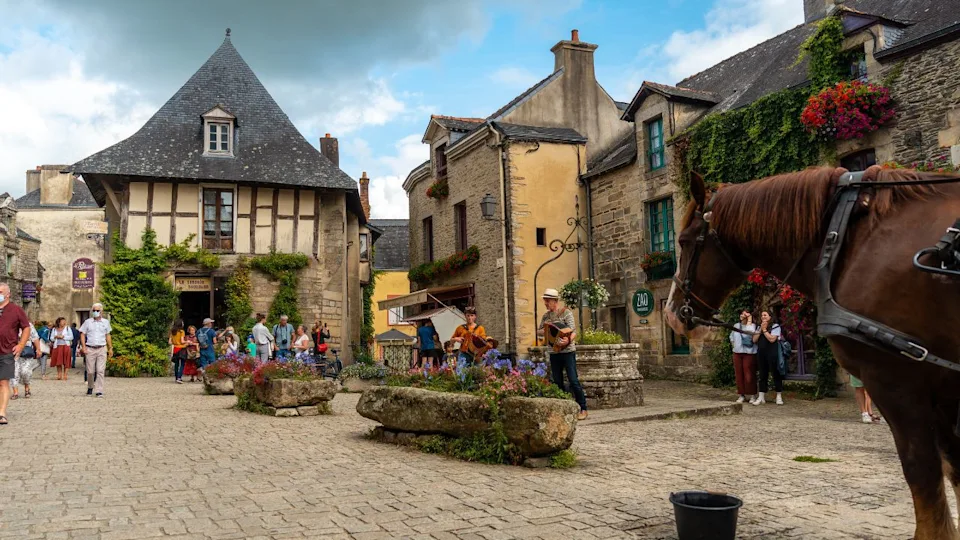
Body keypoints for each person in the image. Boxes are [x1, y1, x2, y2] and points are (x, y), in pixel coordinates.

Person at [538, 288, 588, 420]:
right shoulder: (546, 317)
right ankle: (564, 408)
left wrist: (568, 339)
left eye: (548, 301)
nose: (546, 303)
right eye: (545, 301)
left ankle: (583, 408)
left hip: (568, 351)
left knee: (573, 380)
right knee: (557, 381)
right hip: (553, 351)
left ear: (555, 301)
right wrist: (546, 328)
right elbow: (539, 332)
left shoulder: (566, 313)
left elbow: (573, 331)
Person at [0, 283, 33, 424]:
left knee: (3, 383)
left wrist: (21, 344)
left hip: (6, 351)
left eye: (0, 291)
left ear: (8, 294)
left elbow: (26, 328)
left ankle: (2, 412)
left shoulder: (16, 310)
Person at [79, 303, 112, 398]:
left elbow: (108, 335)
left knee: (100, 370)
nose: (95, 312)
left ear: (101, 312)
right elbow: (82, 334)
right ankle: (90, 386)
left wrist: (110, 348)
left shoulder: (105, 322)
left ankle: (99, 390)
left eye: (97, 310)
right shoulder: (87, 322)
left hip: (101, 348)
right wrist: (83, 346)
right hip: (90, 348)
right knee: (90, 371)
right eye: (93, 310)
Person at [752, 309, 784, 406]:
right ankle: (761, 396)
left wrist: (765, 330)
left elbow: (772, 339)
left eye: (765, 315)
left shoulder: (775, 326)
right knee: (762, 374)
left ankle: (778, 395)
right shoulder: (759, 327)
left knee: (775, 373)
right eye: (762, 315)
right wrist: (760, 329)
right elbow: (754, 340)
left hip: (772, 353)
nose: (763, 317)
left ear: (770, 317)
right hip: (761, 353)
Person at [730, 310, 758, 404]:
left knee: (749, 374)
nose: (742, 315)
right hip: (737, 352)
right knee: (739, 374)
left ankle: (752, 394)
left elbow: (749, 333)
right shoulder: (736, 326)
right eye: (741, 313)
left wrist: (749, 320)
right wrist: (734, 346)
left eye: (745, 314)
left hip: (749, 353)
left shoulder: (753, 326)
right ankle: (741, 394)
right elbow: (731, 337)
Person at [11, 322, 41, 401]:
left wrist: (38, 349)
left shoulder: (28, 325)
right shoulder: (10, 323)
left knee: (26, 371)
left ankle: (27, 387)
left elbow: (35, 337)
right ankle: (15, 392)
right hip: (13, 352)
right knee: (14, 372)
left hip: (26, 352)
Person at [168, 319, 187, 383]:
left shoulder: (172, 332)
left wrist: (175, 342)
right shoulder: (182, 331)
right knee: (182, 364)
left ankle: (176, 377)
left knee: (176, 364)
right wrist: (187, 342)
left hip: (175, 348)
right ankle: (179, 377)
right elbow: (182, 341)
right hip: (181, 348)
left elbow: (170, 342)